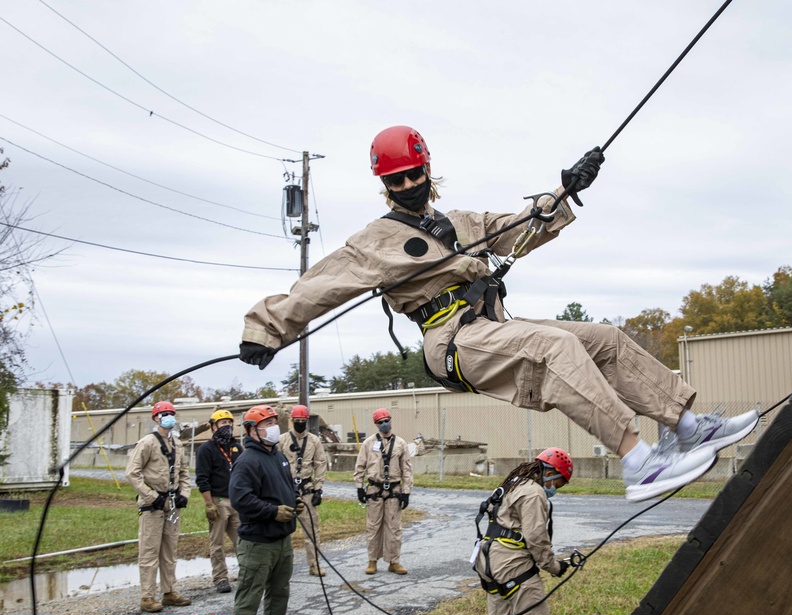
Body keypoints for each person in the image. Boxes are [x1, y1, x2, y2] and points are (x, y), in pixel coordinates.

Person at [237, 125, 758, 503]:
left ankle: (687, 425)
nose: (406, 186)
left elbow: (521, 227)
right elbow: (319, 285)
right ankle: (638, 462)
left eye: (412, 175)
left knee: (602, 337)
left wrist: (566, 189)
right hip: (452, 344)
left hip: (492, 326)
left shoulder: (460, 221)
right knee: (554, 348)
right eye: (394, 181)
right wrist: (267, 330)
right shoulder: (375, 241)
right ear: (384, 185)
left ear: (427, 169)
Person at [473, 448, 575, 615]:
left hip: (490, 563)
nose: (556, 489)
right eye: (559, 482)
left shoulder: (511, 483)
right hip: (515, 567)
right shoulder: (533, 492)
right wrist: (555, 567)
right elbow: (537, 540)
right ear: (549, 472)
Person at [228, 405, 312, 615]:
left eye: (275, 422)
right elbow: (241, 499)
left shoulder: (277, 456)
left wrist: (293, 501)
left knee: (279, 595)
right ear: (253, 430)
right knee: (248, 599)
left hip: (282, 540)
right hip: (258, 543)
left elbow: (285, 488)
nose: (274, 427)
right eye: (268, 424)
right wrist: (272, 511)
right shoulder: (247, 460)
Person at [124, 401, 193, 613]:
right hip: (152, 504)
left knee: (170, 549)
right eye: (164, 414)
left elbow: (184, 472)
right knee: (149, 550)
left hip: (172, 503)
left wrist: (184, 494)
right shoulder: (147, 443)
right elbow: (132, 473)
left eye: (171, 414)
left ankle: (169, 591)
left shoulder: (177, 443)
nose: (168, 417)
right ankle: (147, 596)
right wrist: (150, 495)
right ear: (156, 418)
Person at [353, 408, 413, 575]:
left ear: (391, 420)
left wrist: (406, 492)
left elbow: (407, 469)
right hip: (374, 489)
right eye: (381, 422)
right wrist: (359, 487)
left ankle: (394, 561)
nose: (385, 424)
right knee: (373, 527)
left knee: (394, 528)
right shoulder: (369, 443)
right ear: (376, 424)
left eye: (387, 420)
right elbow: (360, 466)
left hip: (394, 489)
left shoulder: (400, 443)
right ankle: (372, 561)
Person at [277, 404, 330, 577]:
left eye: (303, 421)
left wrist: (318, 489)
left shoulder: (314, 441)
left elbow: (320, 464)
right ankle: (279, 567)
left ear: (307, 421)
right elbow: (275, 464)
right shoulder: (282, 440)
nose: (300, 423)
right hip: (286, 489)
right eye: (297, 420)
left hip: (306, 489)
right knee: (281, 529)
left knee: (312, 529)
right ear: (292, 421)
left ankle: (314, 564)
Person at [195, 408, 243, 593]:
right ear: (214, 426)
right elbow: (202, 479)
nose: (228, 426)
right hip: (218, 500)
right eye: (223, 423)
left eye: (230, 423)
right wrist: (209, 503)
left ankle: (246, 571)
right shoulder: (206, 450)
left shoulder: (236, 447)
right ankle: (221, 578)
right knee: (217, 543)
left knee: (242, 539)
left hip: (236, 501)